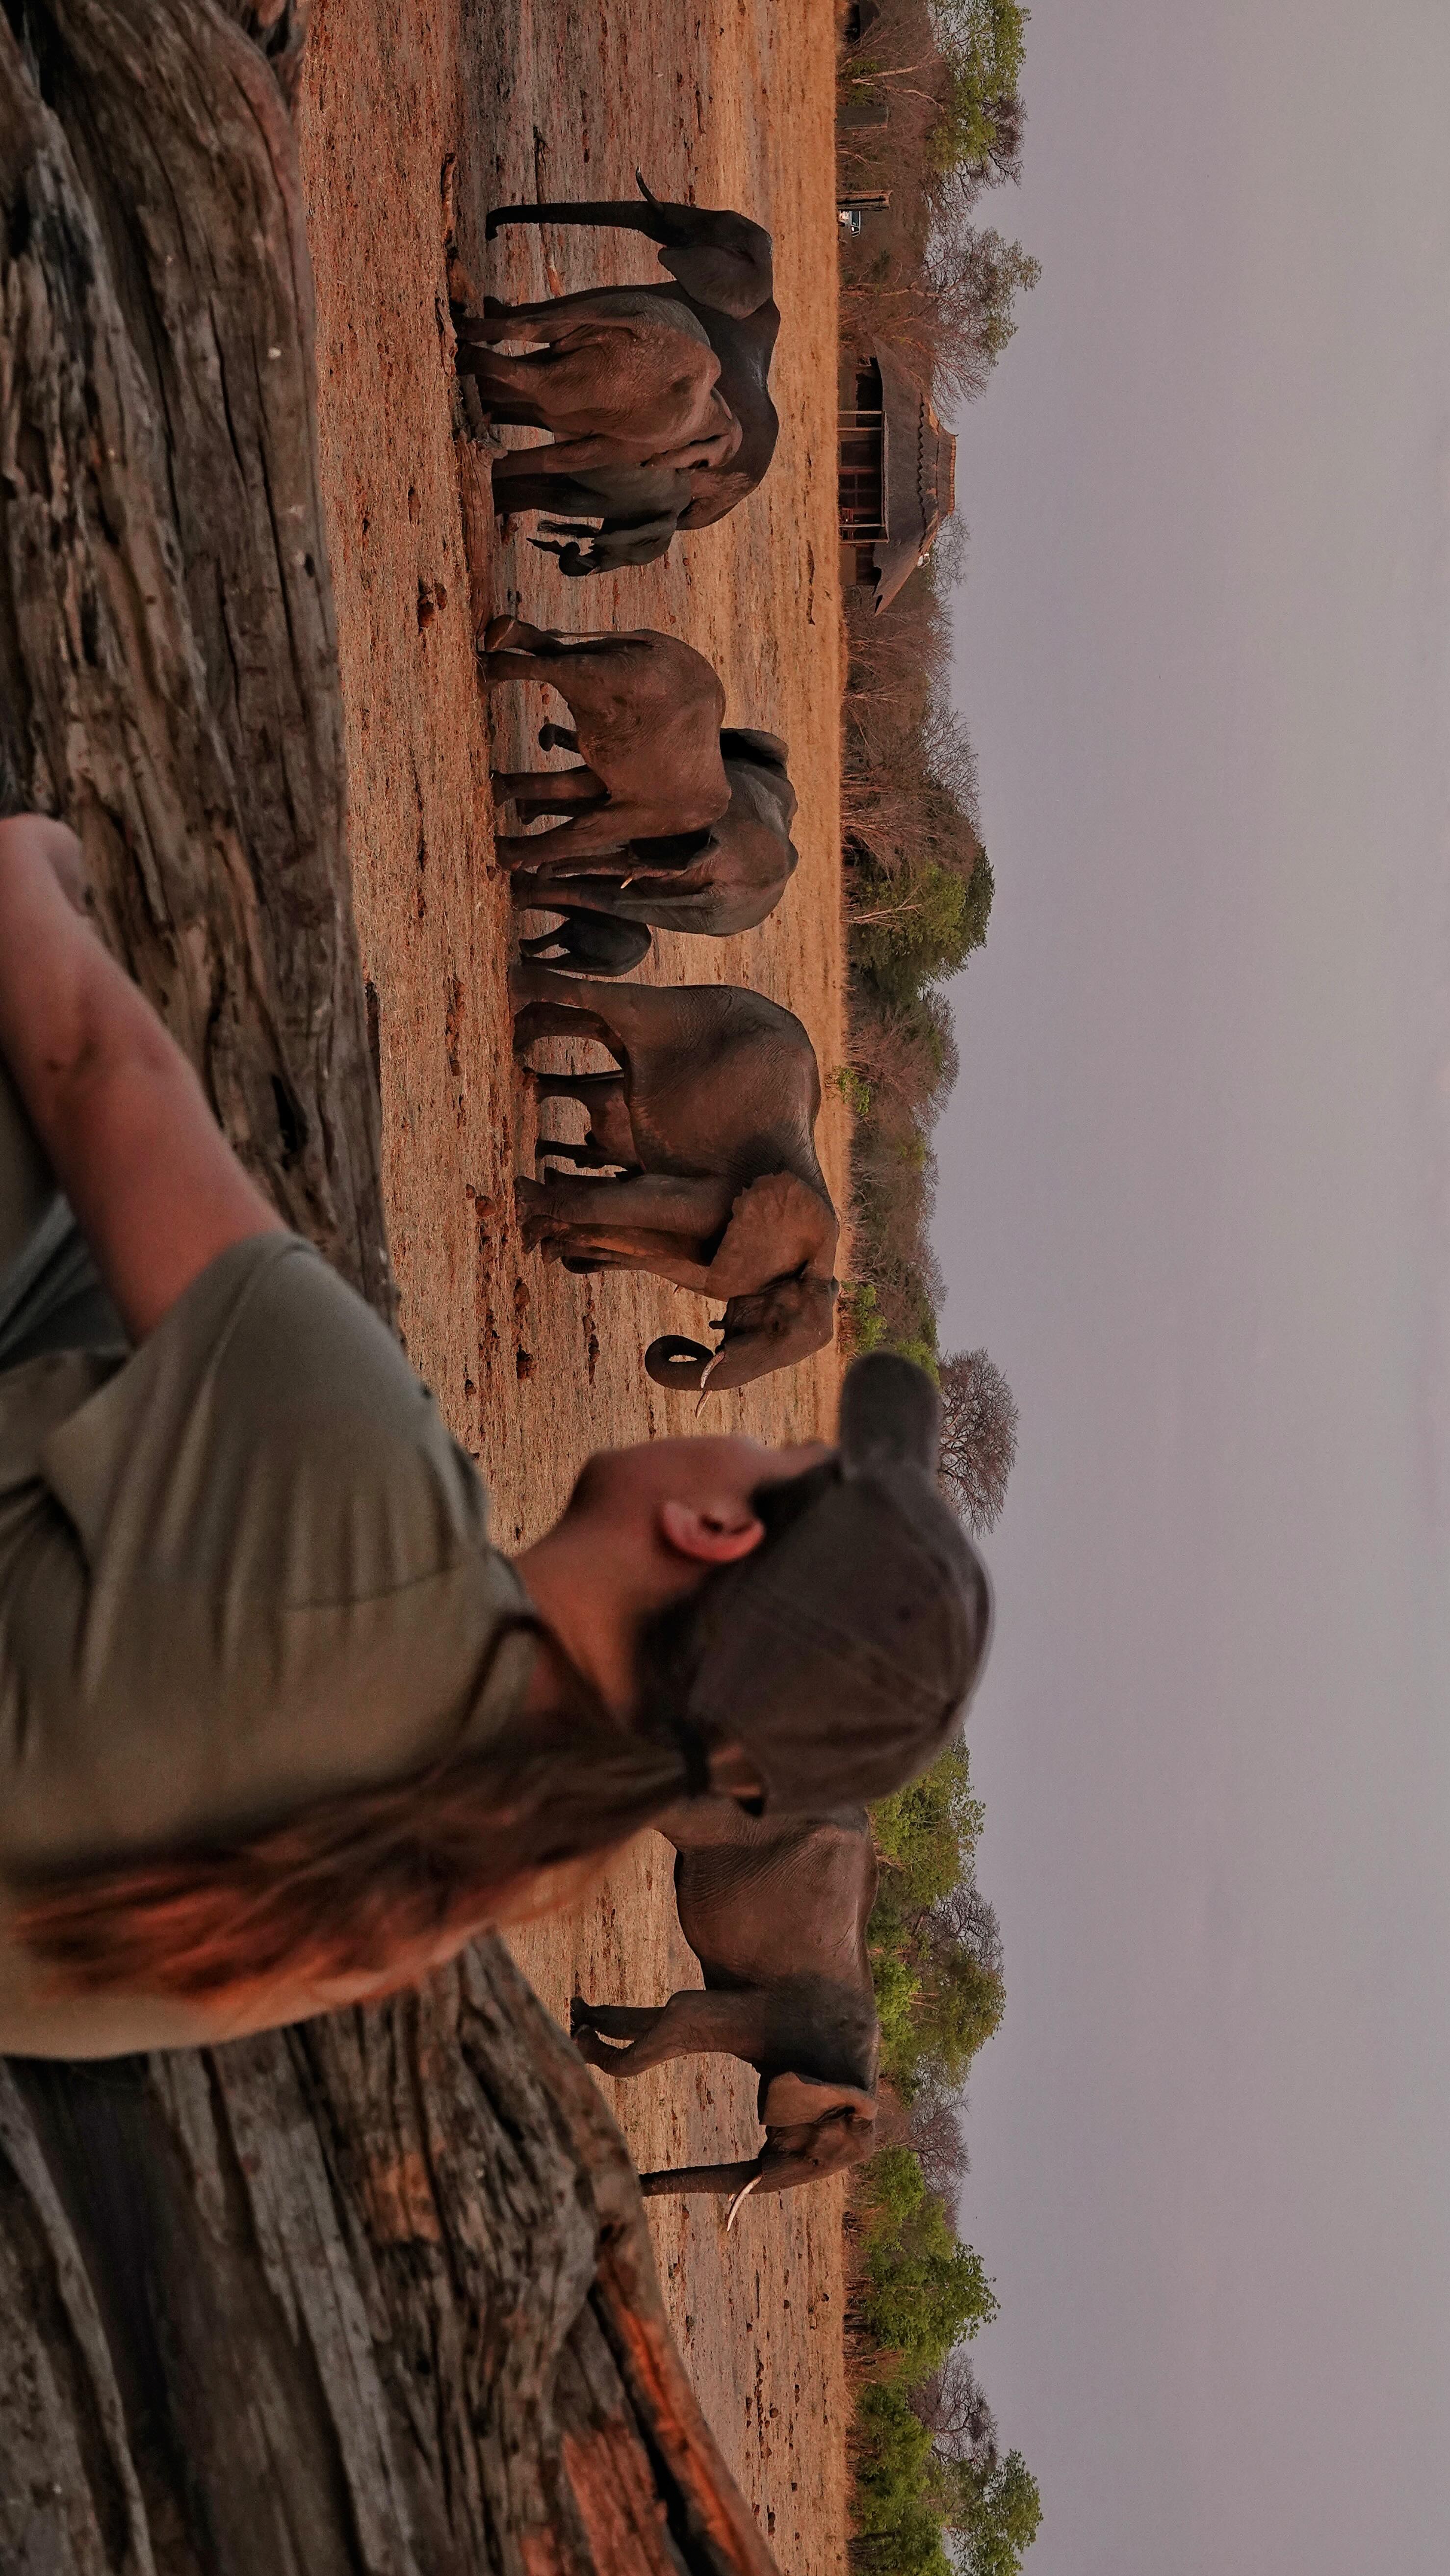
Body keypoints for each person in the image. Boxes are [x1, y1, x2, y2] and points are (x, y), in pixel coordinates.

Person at [0, 814, 992, 2060]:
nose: (747, 1432)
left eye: (778, 1457)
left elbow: (98, 1063)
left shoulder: (378, 1503)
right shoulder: (403, 1899)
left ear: (715, 1529)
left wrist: (44, 852)